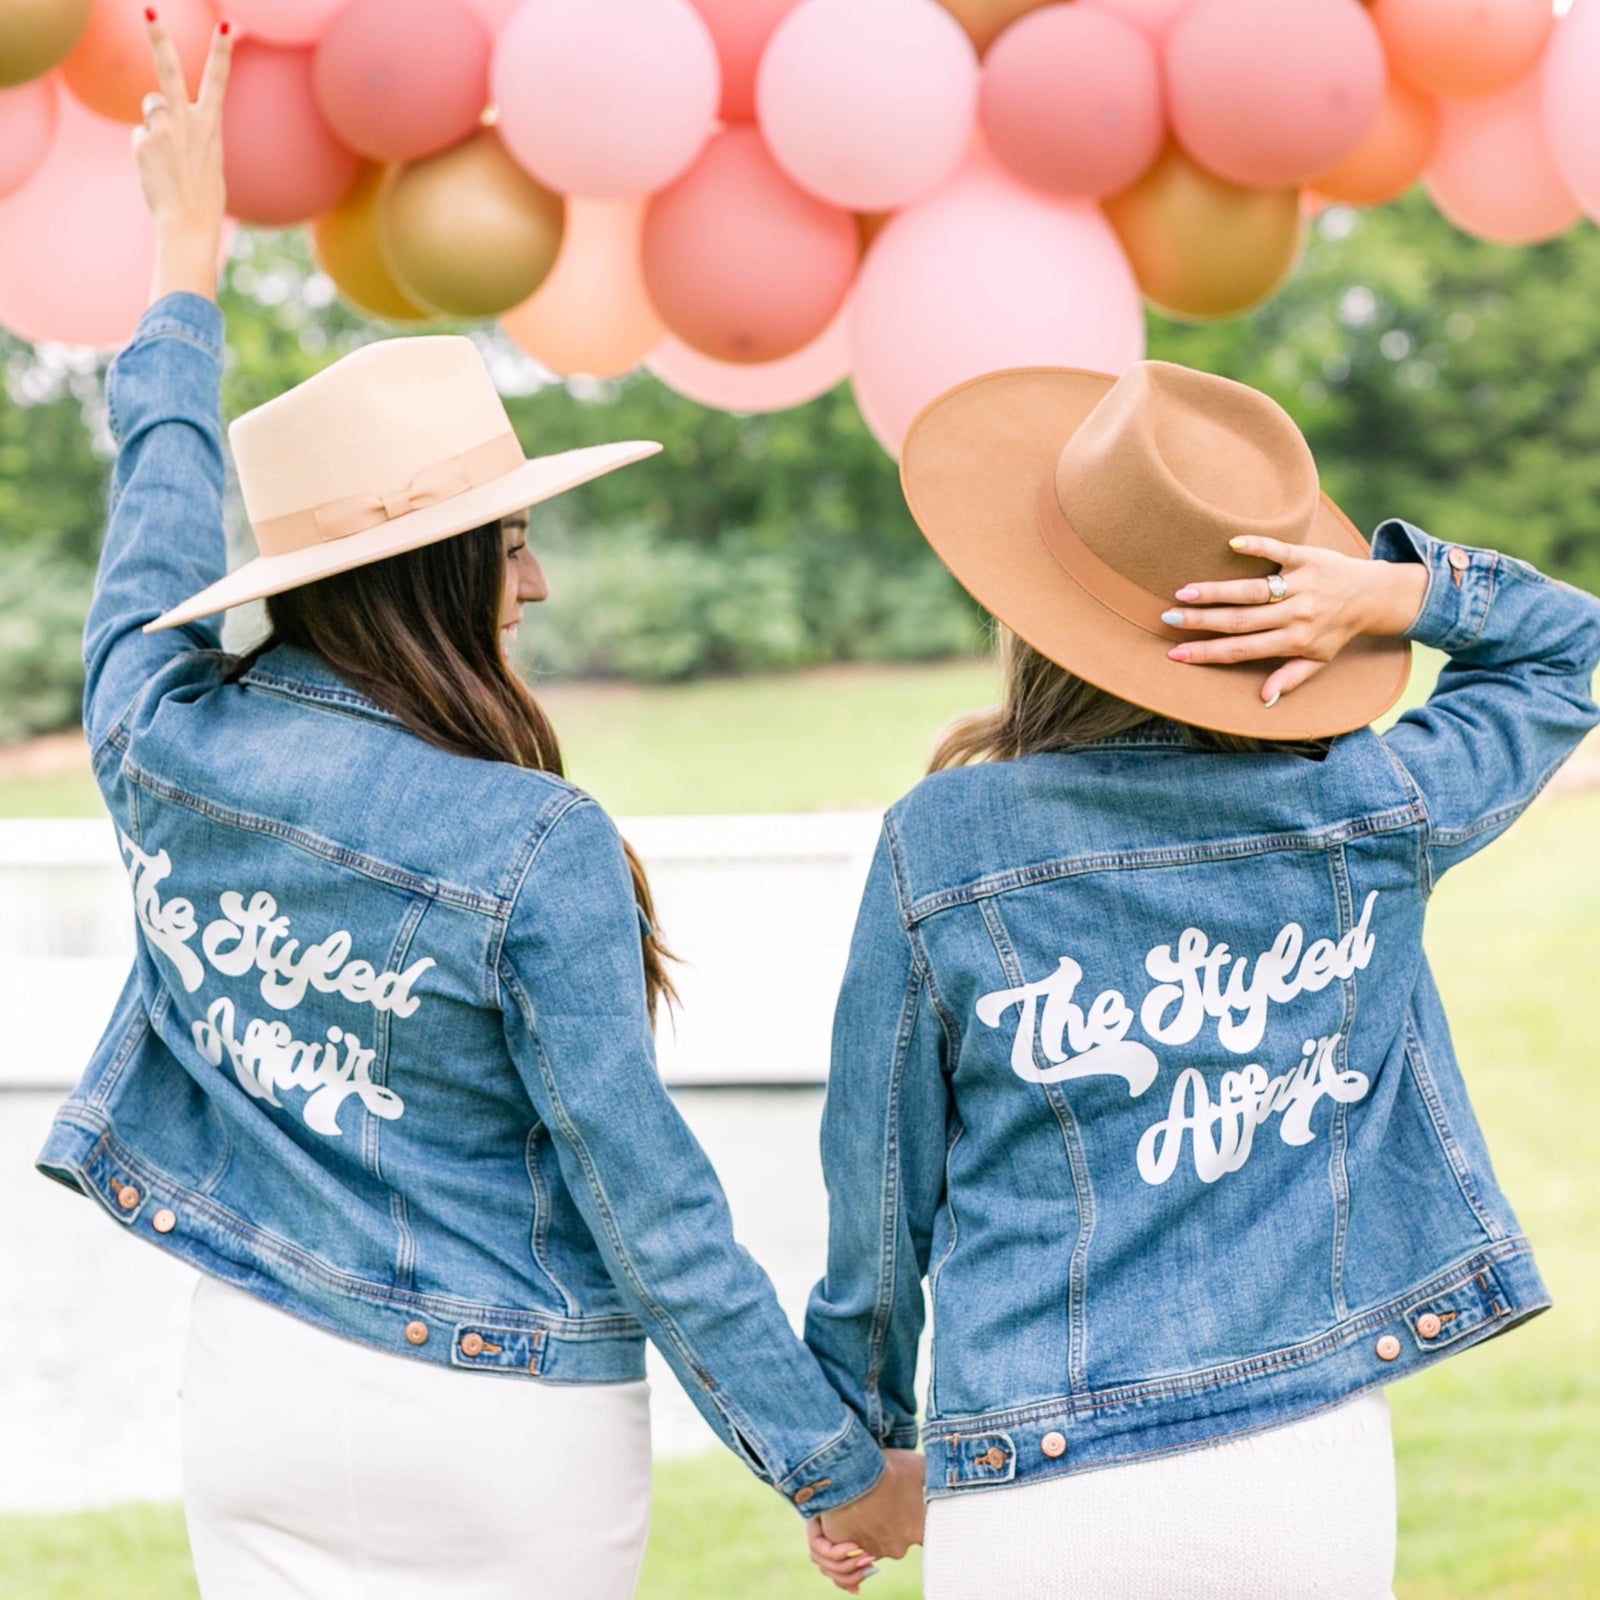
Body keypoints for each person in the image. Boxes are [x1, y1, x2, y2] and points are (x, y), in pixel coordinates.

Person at [34, 16, 918, 1597]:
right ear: (435, 572)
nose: (538, 576)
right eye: (506, 543)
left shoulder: (155, 735)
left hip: (258, 1382)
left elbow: (156, 499)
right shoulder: (530, 843)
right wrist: (830, 1465)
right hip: (500, 1415)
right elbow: (642, 1195)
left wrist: (187, 258)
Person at [802, 360, 1600, 1596]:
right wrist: (1395, 592)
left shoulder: (946, 841)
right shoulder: (1372, 805)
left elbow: (879, 1182)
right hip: (1304, 1467)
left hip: (1038, 1478)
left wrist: (863, 1442)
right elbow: (1565, 653)